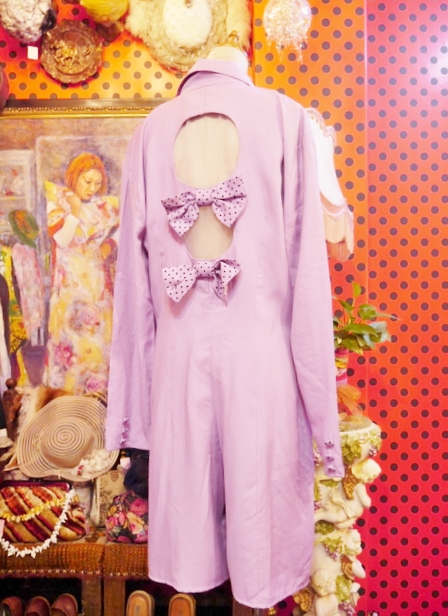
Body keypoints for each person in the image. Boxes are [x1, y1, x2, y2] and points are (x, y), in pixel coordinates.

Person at [106, 42, 344, 609]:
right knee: (261, 526)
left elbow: (133, 292)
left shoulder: (150, 132)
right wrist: (324, 423)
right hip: (263, 366)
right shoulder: (284, 117)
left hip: (177, 368)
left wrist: (134, 419)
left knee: (190, 535)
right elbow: (307, 278)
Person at [44, 152, 119, 395]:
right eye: (87, 181)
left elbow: (128, 226)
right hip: (69, 289)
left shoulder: (104, 206)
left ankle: (98, 401)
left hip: (96, 286)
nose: (92, 188)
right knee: (71, 345)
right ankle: (67, 403)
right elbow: (62, 240)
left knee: (97, 343)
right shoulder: (58, 203)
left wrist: (110, 244)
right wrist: (74, 212)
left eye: (97, 183)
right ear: (74, 177)